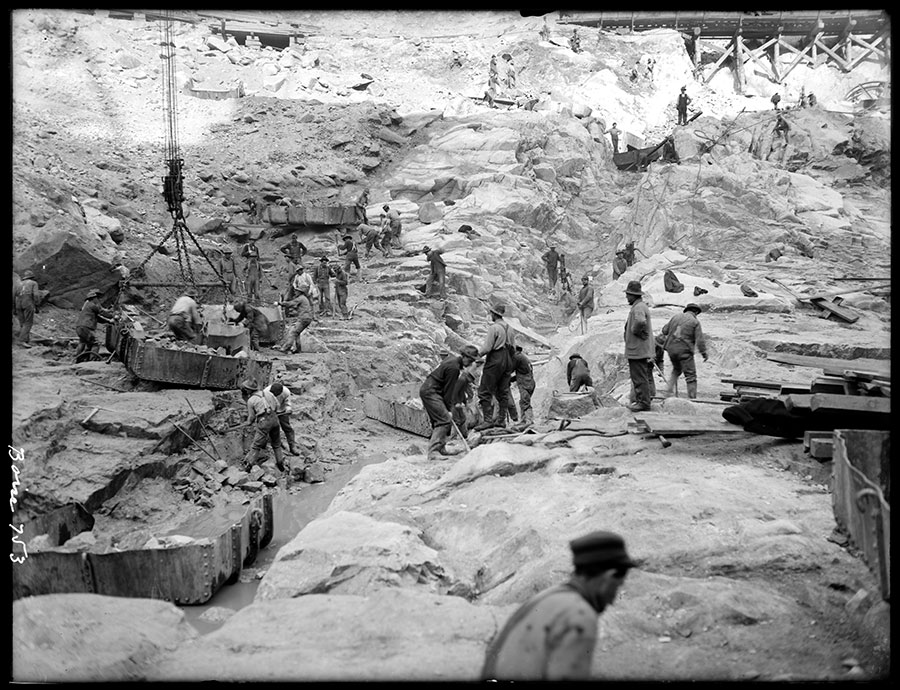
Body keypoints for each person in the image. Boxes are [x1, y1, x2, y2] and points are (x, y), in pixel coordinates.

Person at [481, 530, 636, 681]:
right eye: (617, 587)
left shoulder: (548, 597)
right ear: (608, 577)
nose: (612, 601)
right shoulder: (580, 615)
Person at [419, 345, 481, 461]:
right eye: (471, 360)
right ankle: (433, 452)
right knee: (444, 419)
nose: (471, 363)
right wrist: (448, 409)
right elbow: (449, 391)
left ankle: (441, 448)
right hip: (431, 391)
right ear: (464, 357)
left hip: (431, 390)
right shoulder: (454, 368)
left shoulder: (453, 361)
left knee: (442, 420)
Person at [474, 304, 515, 431]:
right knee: (503, 391)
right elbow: (513, 347)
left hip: (496, 359)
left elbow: (487, 347)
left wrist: (477, 355)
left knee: (484, 390)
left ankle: (487, 421)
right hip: (508, 359)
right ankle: (501, 420)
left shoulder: (494, 328)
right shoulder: (510, 328)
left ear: (494, 314)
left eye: (491, 313)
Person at [659, 303, 708, 400]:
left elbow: (664, 330)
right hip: (684, 350)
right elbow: (700, 340)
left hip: (671, 349)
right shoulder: (695, 322)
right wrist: (704, 353)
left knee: (676, 370)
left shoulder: (675, 317)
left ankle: (668, 391)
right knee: (691, 376)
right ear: (696, 312)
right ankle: (692, 398)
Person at [240, 378, 285, 472]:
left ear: (248, 390)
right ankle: (280, 464)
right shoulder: (267, 392)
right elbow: (276, 405)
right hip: (275, 419)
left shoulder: (251, 400)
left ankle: (248, 466)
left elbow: (251, 417)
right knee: (276, 444)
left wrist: (248, 423)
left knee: (256, 445)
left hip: (264, 421)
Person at [624, 280, 654, 411]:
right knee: (639, 376)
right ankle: (641, 400)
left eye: (628, 295)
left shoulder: (639, 307)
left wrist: (636, 332)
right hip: (636, 349)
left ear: (633, 295)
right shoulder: (639, 306)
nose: (626, 297)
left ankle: (643, 403)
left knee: (639, 377)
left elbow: (640, 321)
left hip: (638, 350)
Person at [75, 289, 114, 361]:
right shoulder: (92, 305)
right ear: (94, 298)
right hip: (87, 327)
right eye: (97, 298)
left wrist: (108, 321)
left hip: (80, 327)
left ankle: (79, 359)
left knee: (83, 342)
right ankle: (92, 360)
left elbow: (98, 318)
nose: (98, 299)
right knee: (96, 343)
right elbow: (102, 312)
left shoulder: (87, 307)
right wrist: (113, 316)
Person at [264, 381, 300, 457]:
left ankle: (292, 446)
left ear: (280, 392)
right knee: (269, 428)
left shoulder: (286, 392)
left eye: (275, 394)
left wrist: (288, 409)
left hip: (282, 411)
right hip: (271, 412)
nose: (274, 395)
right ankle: (269, 444)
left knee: (287, 427)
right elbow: (264, 403)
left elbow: (288, 403)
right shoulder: (266, 392)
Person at [508, 345, 535, 428]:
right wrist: (510, 379)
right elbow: (521, 373)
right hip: (529, 382)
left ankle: (529, 420)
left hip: (525, 383)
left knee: (524, 402)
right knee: (523, 401)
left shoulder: (517, 357)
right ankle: (524, 420)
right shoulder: (523, 358)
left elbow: (510, 369)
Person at [14, 269, 41, 347]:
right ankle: (21, 340)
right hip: (28, 303)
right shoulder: (33, 283)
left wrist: (14, 308)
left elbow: (14, 295)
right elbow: (36, 295)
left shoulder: (19, 284)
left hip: (18, 304)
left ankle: (26, 339)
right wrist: (37, 305)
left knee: (22, 323)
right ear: (32, 277)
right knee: (28, 322)